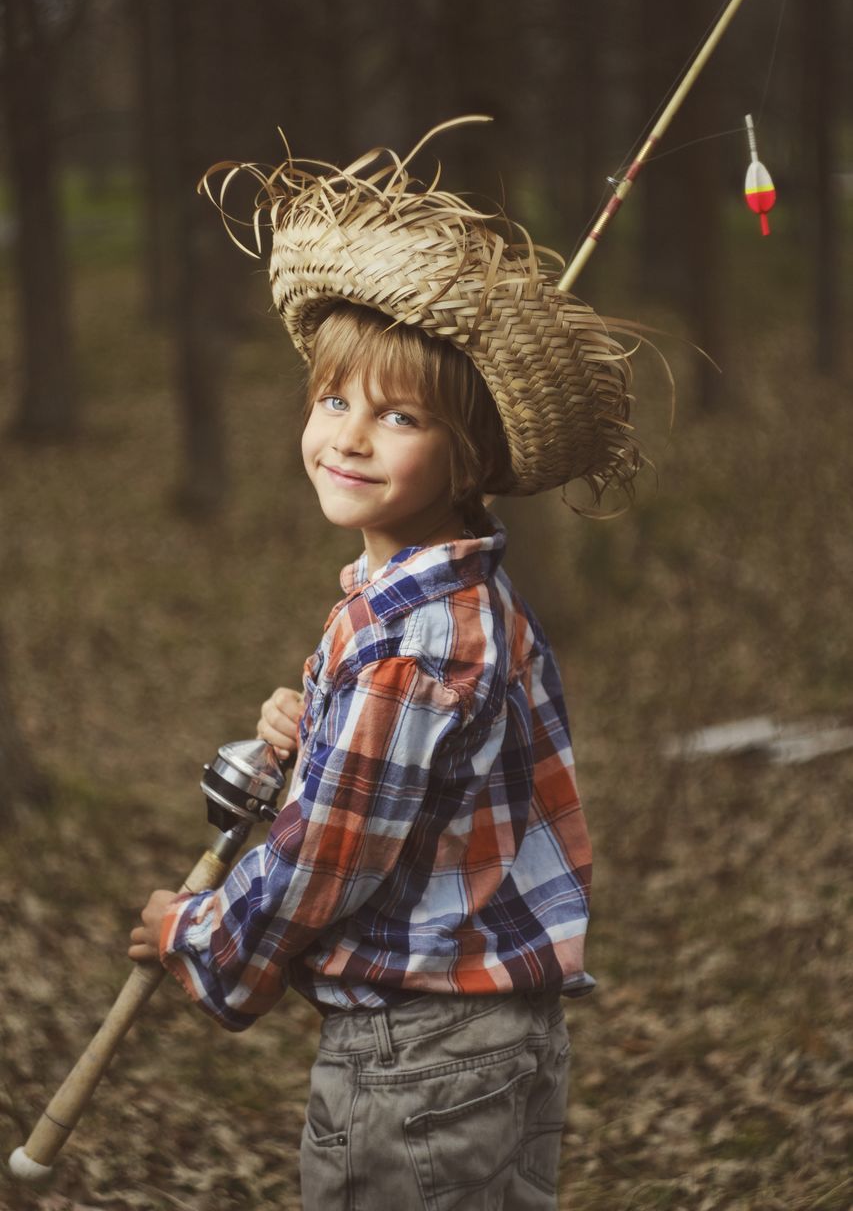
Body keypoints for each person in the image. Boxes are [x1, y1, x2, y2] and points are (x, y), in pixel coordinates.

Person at [129, 118, 642, 1209]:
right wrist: (310, 723)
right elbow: (399, 784)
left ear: (470, 456)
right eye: (332, 399)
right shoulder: (434, 605)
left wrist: (199, 938)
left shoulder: (416, 643)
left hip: (419, 1065)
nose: (348, 437)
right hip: (485, 1048)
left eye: (397, 414)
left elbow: (321, 863)